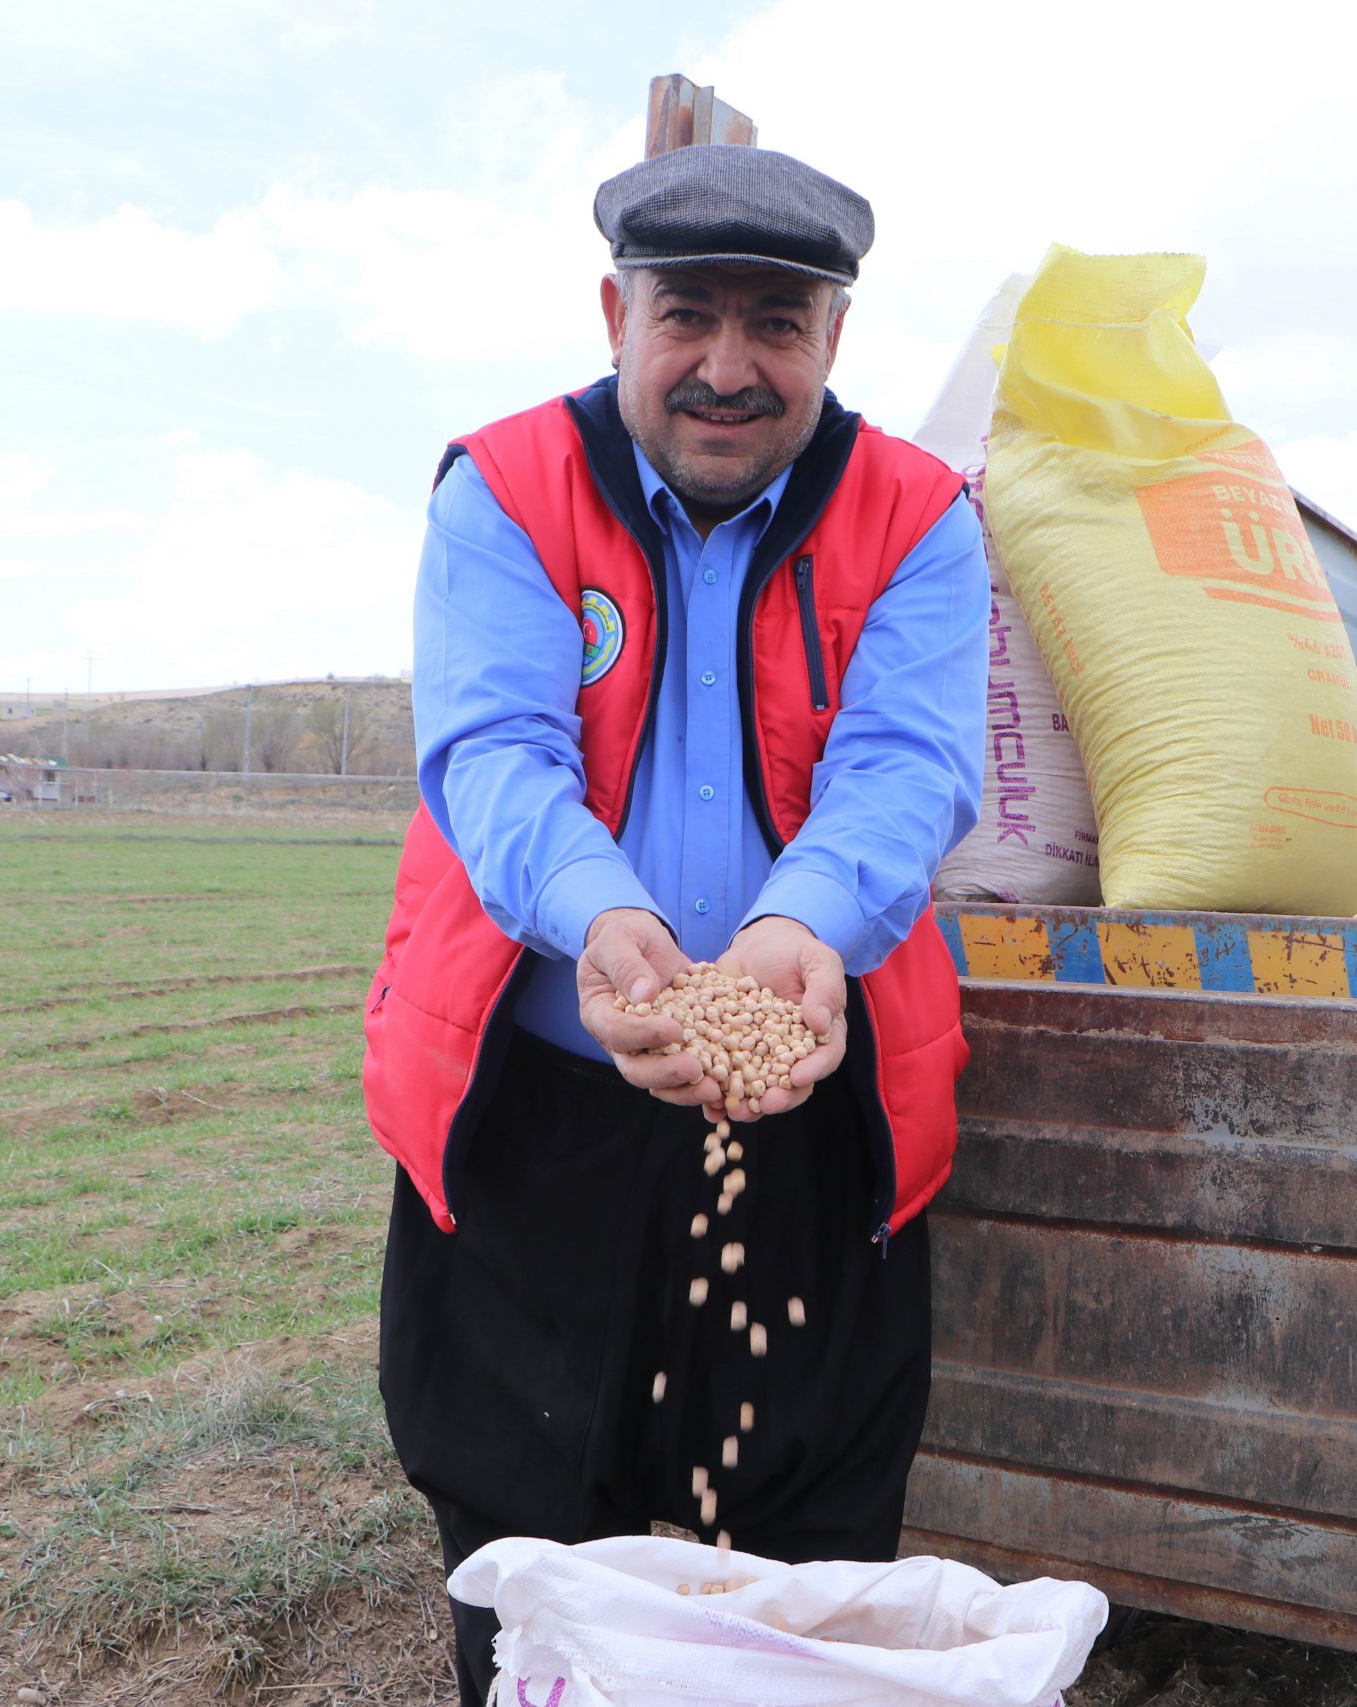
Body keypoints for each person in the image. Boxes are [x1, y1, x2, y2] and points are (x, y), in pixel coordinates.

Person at [361, 142, 989, 1704]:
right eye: (686, 315)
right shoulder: (503, 489)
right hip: (541, 1125)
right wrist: (606, 922)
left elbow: (906, 770)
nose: (728, 365)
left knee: (808, 1554)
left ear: (834, 339)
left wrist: (803, 930)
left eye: (776, 321)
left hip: (812, 1113)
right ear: (613, 311)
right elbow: (492, 757)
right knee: (523, 1536)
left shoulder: (918, 516)